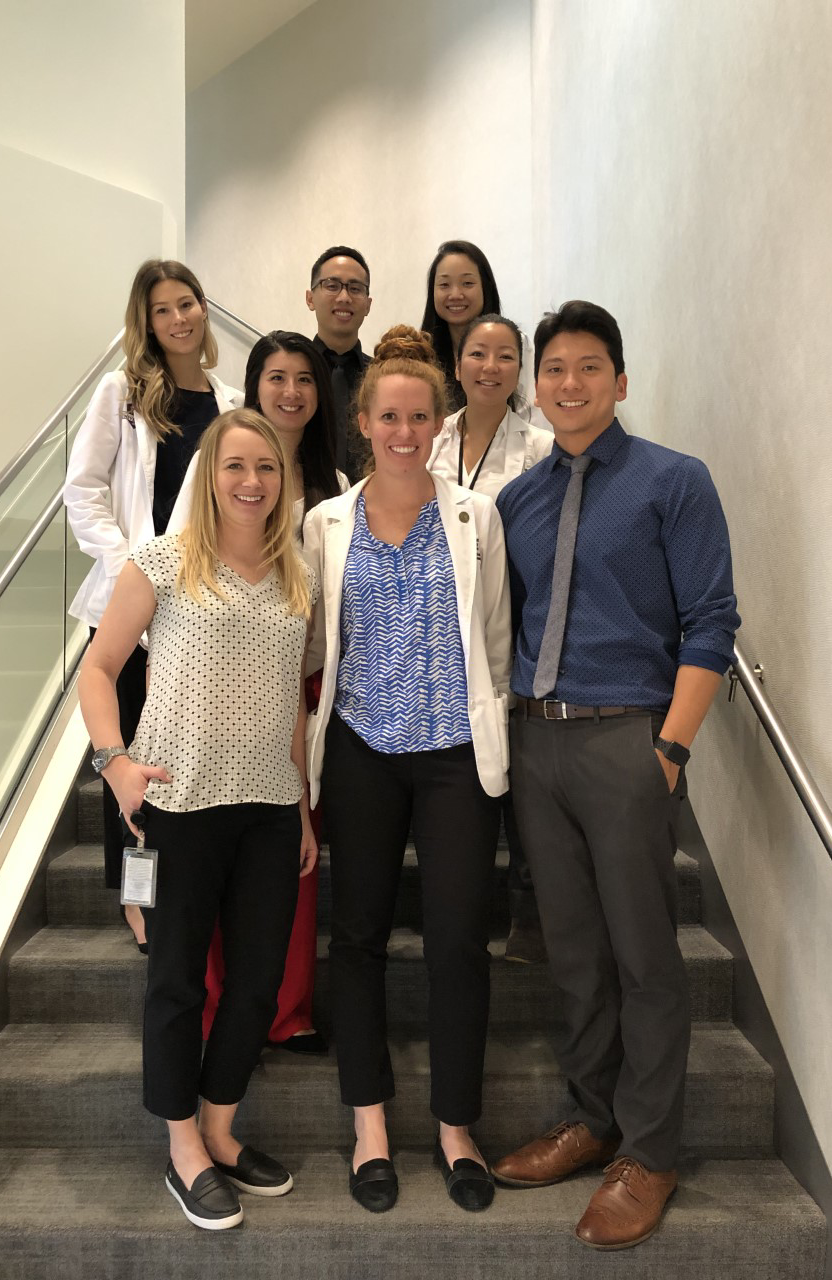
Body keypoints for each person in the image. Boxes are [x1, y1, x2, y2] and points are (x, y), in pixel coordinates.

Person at [491, 302, 740, 1250]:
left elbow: (712, 621)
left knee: (644, 953)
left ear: (620, 381)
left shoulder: (675, 483)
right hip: (537, 743)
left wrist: (670, 749)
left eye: (589, 368)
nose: (569, 384)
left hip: (628, 738)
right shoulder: (519, 502)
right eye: (553, 370)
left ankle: (651, 1149)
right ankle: (593, 1120)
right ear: (537, 386)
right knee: (575, 952)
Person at [79, 408, 318, 1230]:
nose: (252, 482)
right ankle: (182, 1149)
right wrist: (115, 763)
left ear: (282, 481)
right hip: (176, 806)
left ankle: (219, 1129)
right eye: (235, 466)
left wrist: (305, 805)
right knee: (178, 983)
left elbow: (293, 701)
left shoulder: (297, 575)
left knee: (255, 983)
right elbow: (99, 670)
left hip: (269, 810)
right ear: (209, 474)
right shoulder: (161, 563)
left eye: (267, 469)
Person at [303, 325, 511, 1216]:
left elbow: (494, 642)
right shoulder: (324, 524)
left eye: (420, 415)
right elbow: (307, 648)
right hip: (358, 752)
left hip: (454, 756)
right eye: (388, 414)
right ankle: (371, 1124)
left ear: (438, 421)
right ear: (362, 421)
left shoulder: (476, 516)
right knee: (356, 939)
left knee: (460, 937)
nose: (404, 430)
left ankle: (458, 1126)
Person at [169, 331, 347, 1054]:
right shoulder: (219, 461)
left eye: (305, 379)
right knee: (216, 862)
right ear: (254, 385)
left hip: (303, 683)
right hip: (216, 681)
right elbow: (179, 569)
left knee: (292, 862)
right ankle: (219, 1010)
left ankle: (287, 1009)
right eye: (276, 377)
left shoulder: (334, 482)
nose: (292, 392)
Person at [64, 259, 242, 952]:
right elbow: (83, 491)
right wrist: (132, 569)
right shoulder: (123, 393)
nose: (179, 318)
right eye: (163, 309)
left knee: (178, 760)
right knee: (128, 769)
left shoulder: (229, 403)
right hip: (130, 610)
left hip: (198, 612)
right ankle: (138, 902)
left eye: (188, 303)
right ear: (147, 321)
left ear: (204, 308)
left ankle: (198, 890)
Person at [428, 314, 554, 963]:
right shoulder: (431, 439)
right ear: (458, 364)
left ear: (518, 370)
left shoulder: (538, 446)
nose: (490, 366)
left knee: (514, 774)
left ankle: (529, 918)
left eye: (506, 356)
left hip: (517, 622)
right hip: (437, 633)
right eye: (478, 353)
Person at [306, 245, 373, 482]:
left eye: (355, 289)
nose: (344, 297)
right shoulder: (291, 374)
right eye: (332, 286)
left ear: (368, 304)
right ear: (310, 298)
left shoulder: (381, 377)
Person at [420, 240, 502, 412]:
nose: (455, 294)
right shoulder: (420, 354)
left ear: (485, 288)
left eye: (467, 283)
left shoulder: (513, 347)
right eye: (444, 285)